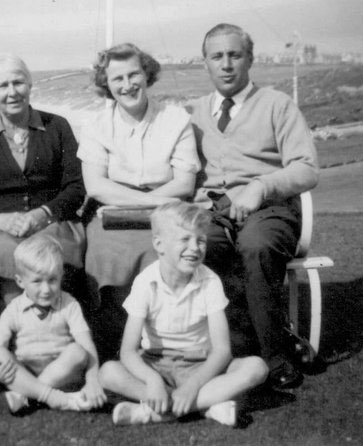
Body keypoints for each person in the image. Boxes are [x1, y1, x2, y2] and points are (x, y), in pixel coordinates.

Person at [188, 23, 319, 390]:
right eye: (217, 56)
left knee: (256, 246)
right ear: (206, 64)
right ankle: (232, 351)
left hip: (270, 209)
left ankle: (275, 355)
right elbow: (180, 164)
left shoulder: (277, 104)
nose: (226, 64)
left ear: (250, 59)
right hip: (216, 211)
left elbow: (307, 168)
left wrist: (261, 186)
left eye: (235, 55)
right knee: (199, 248)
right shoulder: (195, 112)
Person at [77, 43, 200, 360]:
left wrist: (150, 204)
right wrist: (147, 203)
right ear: (107, 84)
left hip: (168, 211)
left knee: (166, 252)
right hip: (112, 215)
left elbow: (184, 183)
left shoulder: (176, 119)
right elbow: (97, 185)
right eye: (117, 79)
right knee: (106, 255)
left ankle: (167, 346)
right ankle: (115, 347)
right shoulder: (96, 126)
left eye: (134, 74)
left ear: (147, 74)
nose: (127, 85)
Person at [99, 202, 268, 426]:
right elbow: (129, 351)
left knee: (256, 367)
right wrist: (153, 381)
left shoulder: (210, 282)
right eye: (184, 240)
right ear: (159, 245)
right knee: (108, 373)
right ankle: (208, 407)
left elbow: (222, 351)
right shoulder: (145, 283)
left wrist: (192, 386)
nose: (195, 248)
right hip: (156, 363)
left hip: (200, 364)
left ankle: (156, 413)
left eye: (200, 240)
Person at [0, 53, 86, 307]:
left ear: (30, 85)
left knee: (49, 252)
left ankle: (56, 331)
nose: (12, 92)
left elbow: (76, 187)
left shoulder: (58, 127)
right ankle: (16, 329)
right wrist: (0, 220)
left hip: (52, 222)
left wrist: (42, 214)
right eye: (2, 85)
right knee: (5, 252)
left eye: (18, 83)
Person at [0, 235, 106, 413]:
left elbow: (87, 344)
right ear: (20, 281)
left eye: (53, 280)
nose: (46, 289)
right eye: (37, 281)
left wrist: (93, 380)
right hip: (25, 372)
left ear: (61, 276)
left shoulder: (69, 304)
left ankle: (29, 395)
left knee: (78, 351)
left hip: (63, 373)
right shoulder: (14, 309)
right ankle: (54, 398)